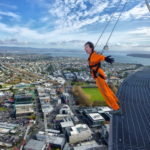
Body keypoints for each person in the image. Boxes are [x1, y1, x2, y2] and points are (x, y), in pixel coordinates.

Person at [84, 41, 121, 115]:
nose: (85, 49)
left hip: (98, 76)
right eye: (84, 47)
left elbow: (99, 57)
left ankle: (116, 108)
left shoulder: (94, 55)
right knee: (107, 90)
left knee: (105, 93)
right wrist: (105, 58)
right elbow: (99, 57)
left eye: (86, 47)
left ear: (91, 47)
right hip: (99, 75)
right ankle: (116, 101)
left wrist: (105, 58)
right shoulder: (92, 55)